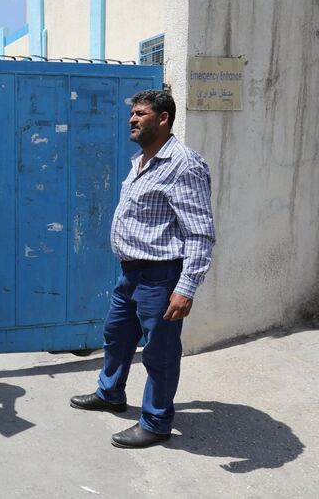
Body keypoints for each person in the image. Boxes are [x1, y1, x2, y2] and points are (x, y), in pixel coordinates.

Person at [70, 90, 215, 448]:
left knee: (160, 353)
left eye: (140, 113)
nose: (132, 119)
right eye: (131, 114)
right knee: (116, 336)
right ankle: (111, 393)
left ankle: (156, 421)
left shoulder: (184, 164)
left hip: (161, 276)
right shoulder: (141, 160)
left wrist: (186, 288)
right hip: (131, 273)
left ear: (163, 118)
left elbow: (200, 232)